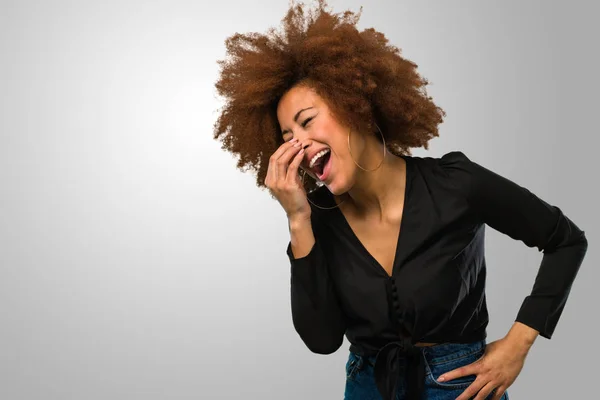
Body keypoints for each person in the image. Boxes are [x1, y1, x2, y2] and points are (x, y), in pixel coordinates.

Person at [212, 1, 589, 399]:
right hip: (368, 385)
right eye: (287, 138)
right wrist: (297, 219)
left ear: (352, 103)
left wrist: (519, 343)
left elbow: (565, 241)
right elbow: (321, 340)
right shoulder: (317, 220)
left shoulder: (455, 184)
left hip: (463, 385)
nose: (299, 145)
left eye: (306, 121)